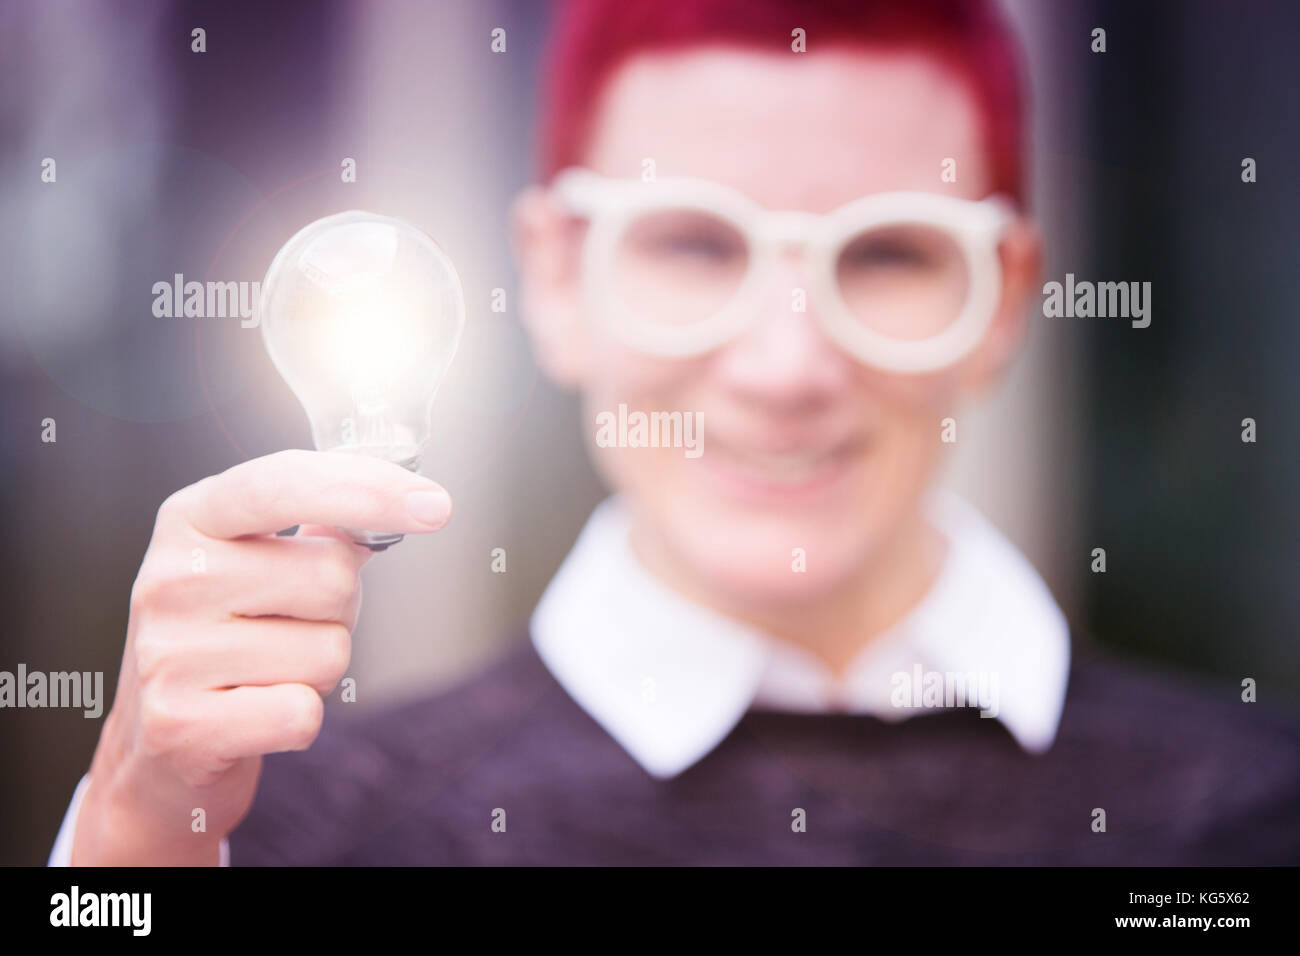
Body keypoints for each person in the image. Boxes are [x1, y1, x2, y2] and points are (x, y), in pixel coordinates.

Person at [51, 0, 1300, 866]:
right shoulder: (267, 827)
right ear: (552, 278)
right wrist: (128, 833)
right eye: (695, 243)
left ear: (1004, 301)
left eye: (886, 254)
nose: (786, 365)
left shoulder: (1259, 811)